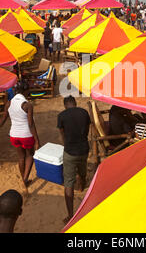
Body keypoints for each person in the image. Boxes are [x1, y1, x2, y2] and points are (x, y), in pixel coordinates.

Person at [0, 81, 41, 190]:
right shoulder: (27, 105)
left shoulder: (9, 103)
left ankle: (24, 178)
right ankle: (25, 179)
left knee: (21, 157)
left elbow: (3, 119)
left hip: (14, 135)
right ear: (25, 91)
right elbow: (31, 124)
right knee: (30, 156)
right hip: (26, 135)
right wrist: (37, 140)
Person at [57, 96, 91, 224]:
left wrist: (67, 145)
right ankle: (82, 187)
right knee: (82, 172)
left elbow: (62, 134)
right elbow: (87, 130)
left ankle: (70, 215)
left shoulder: (61, 116)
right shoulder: (84, 112)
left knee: (69, 183)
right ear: (75, 103)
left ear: (65, 105)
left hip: (70, 151)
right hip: (84, 149)